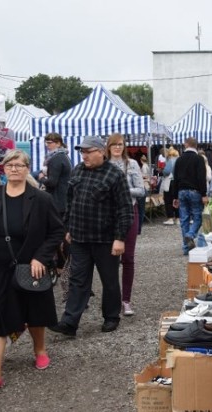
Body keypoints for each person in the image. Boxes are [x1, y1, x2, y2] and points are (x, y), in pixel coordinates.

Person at [0, 149, 64, 394]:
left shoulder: (41, 199)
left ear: (27, 169)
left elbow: (56, 231)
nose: (14, 169)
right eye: (10, 165)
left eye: (19, 165)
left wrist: (40, 258)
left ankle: (40, 350)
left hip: (29, 265)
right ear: (2, 168)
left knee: (34, 311)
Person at [50, 136, 133, 336]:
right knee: (78, 280)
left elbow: (125, 209)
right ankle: (69, 323)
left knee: (109, 280)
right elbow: (70, 201)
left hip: (105, 240)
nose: (84, 156)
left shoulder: (115, 175)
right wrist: (69, 228)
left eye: (88, 152)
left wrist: (120, 238)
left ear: (100, 152)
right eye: (82, 152)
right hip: (79, 238)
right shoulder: (77, 170)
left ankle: (112, 317)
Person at [106, 134, 144, 316]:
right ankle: (113, 300)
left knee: (128, 258)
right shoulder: (103, 166)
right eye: (114, 144)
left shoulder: (132, 164)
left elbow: (141, 190)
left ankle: (126, 300)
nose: (117, 147)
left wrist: (122, 189)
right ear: (108, 146)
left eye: (120, 144)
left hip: (129, 212)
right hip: (107, 216)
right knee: (110, 260)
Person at [172, 137, 208, 255]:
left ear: (185, 144)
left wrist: (175, 197)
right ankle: (190, 235)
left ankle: (186, 248)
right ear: (196, 146)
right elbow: (201, 177)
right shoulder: (199, 159)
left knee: (184, 219)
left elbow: (175, 179)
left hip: (181, 191)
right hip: (195, 192)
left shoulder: (179, 159)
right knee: (198, 217)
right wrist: (204, 194)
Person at [37, 132, 71, 217]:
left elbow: (52, 183)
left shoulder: (56, 158)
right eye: (46, 142)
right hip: (63, 199)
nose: (46, 145)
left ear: (58, 143)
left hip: (57, 201)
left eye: (49, 143)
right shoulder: (64, 155)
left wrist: (41, 178)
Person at [161, 147, 180, 225]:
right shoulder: (179, 160)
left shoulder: (171, 160)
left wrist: (163, 171)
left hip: (170, 182)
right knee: (176, 200)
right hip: (178, 183)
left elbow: (167, 171)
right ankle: (178, 218)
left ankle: (170, 218)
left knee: (168, 200)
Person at [138, 154, 151, 234]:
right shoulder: (146, 166)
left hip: (144, 185)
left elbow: (145, 176)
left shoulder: (144, 166)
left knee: (140, 210)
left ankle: (139, 226)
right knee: (141, 209)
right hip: (144, 186)